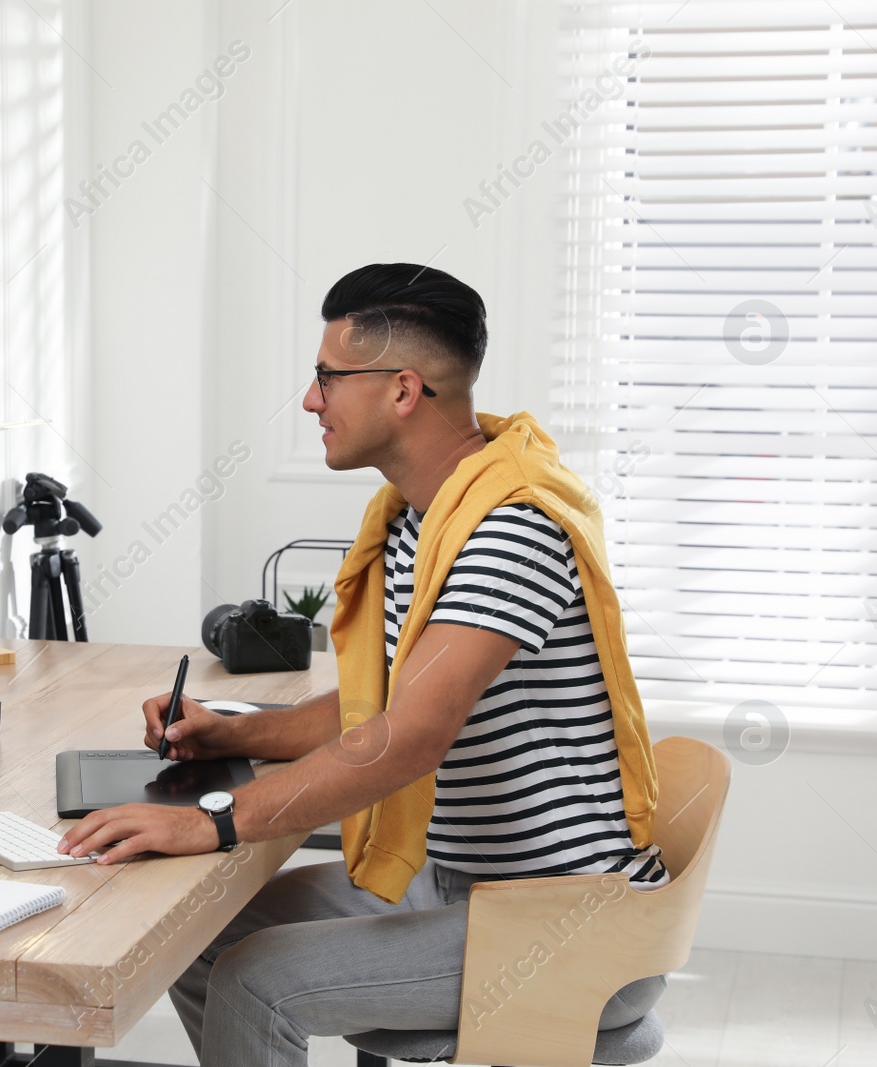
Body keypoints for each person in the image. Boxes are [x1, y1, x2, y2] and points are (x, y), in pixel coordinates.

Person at [56, 263, 669, 1066]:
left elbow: (408, 737)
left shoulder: (507, 532)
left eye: (326, 378)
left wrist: (207, 821)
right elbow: (375, 701)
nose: (312, 400)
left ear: (403, 390)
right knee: (201, 934)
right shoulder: (423, 519)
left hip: (561, 914)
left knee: (257, 979)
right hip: (453, 879)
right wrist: (231, 734)